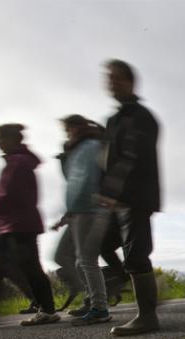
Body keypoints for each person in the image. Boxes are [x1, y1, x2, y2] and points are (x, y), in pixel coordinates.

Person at [98, 59, 162, 336]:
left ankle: (147, 316)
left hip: (135, 197)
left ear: (130, 82)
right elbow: (109, 160)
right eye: (108, 78)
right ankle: (132, 284)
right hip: (117, 199)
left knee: (136, 253)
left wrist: (112, 190)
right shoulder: (114, 119)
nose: (110, 82)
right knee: (103, 244)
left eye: (116, 78)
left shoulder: (140, 117)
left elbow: (132, 157)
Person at [0, 124, 60, 325]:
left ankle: (47, 310)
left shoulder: (18, 162)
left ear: (12, 138)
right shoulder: (17, 161)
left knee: (27, 267)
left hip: (18, 224)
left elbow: (8, 195)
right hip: (12, 224)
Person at [58, 114, 112, 324]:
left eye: (68, 129)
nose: (67, 134)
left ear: (77, 127)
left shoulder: (90, 146)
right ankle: (93, 301)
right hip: (80, 209)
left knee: (86, 260)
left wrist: (79, 206)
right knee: (77, 259)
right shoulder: (78, 148)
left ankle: (100, 308)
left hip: (90, 208)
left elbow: (87, 178)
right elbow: (72, 181)